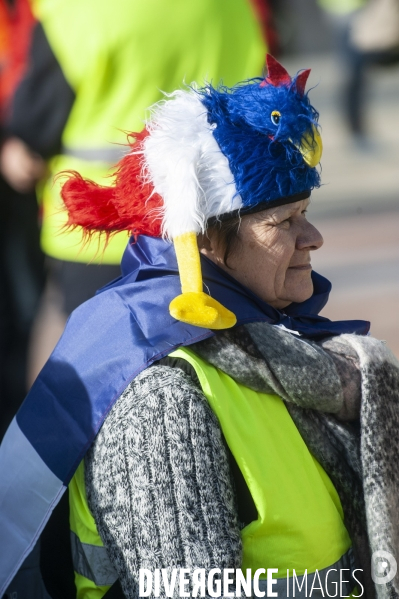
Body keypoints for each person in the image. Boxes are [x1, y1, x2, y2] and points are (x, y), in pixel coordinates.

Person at [1, 55, 399, 599]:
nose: (313, 239)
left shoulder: (268, 335)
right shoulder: (162, 403)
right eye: (284, 222)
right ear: (203, 242)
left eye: (306, 213)